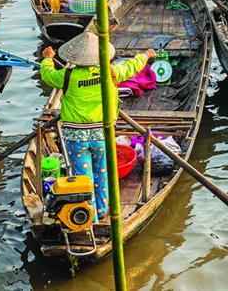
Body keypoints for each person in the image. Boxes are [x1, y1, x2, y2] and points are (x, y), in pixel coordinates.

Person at [40, 33, 154, 221]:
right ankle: (101, 210)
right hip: (102, 134)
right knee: (102, 173)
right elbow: (131, 66)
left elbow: (48, 75)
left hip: (75, 138)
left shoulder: (67, 75)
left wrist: (47, 59)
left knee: (83, 177)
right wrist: (146, 55)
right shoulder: (110, 72)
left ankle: (89, 216)